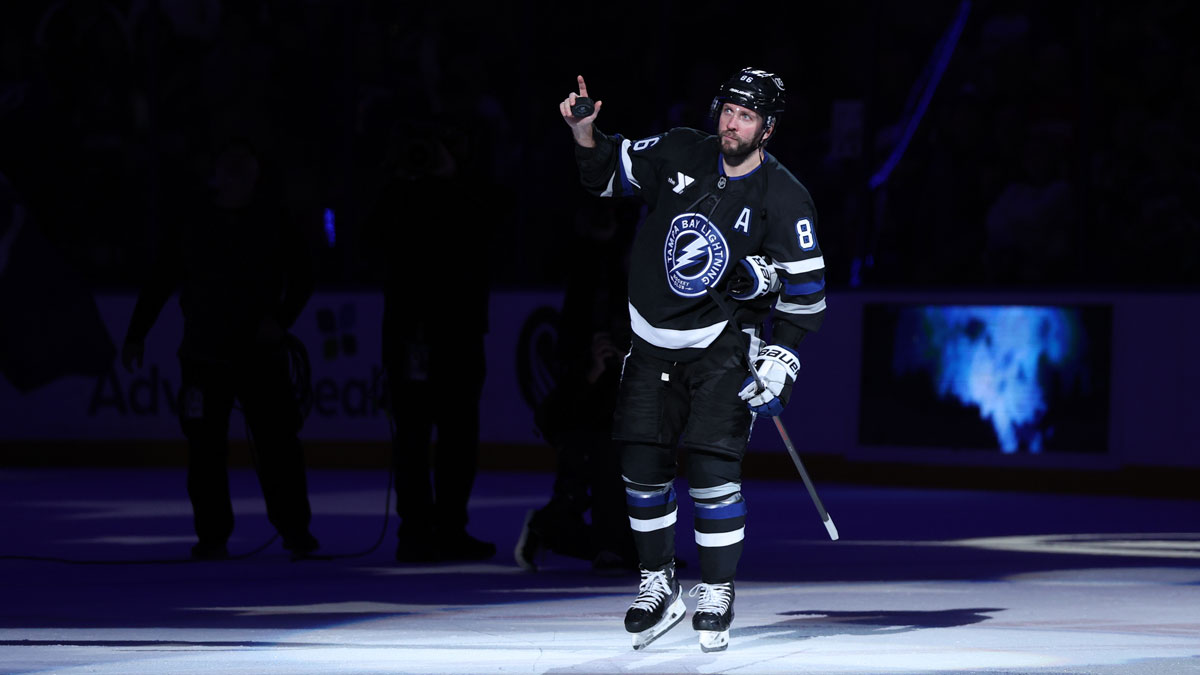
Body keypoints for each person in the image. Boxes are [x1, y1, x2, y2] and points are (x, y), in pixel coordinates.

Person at [559, 68, 826, 652]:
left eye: (747, 116)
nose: (733, 123)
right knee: (641, 467)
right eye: (729, 110)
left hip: (723, 349)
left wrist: (782, 356)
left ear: (768, 129)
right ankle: (658, 583)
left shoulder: (785, 196)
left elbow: (808, 291)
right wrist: (584, 130)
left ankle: (717, 589)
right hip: (651, 340)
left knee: (711, 473)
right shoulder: (683, 147)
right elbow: (607, 173)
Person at [121, 137, 319, 561]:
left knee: (278, 442)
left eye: (244, 173)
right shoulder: (193, 223)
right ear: (217, 177)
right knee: (205, 448)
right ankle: (213, 534)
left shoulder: (272, 221)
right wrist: (137, 332)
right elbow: (160, 280)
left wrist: (280, 320)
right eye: (230, 171)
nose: (236, 180)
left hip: (258, 350)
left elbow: (304, 275)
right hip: (204, 352)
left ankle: (294, 528)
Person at [364, 118, 497, 563]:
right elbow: (373, 239)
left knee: (457, 434)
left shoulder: (465, 196)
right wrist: (403, 179)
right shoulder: (394, 197)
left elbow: (486, 231)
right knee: (414, 435)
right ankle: (417, 530)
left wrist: (447, 178)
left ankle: (449, 527)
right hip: (410, 336)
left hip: (456, 332)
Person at [515, 195, 639, 575]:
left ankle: (618, 543)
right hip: (587, 389)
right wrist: (591, 365)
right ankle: (559, 530)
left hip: (615, 383)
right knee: (593, 459)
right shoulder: (583, 268)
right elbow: (573, 338)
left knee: (623, 461)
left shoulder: (623, 264)